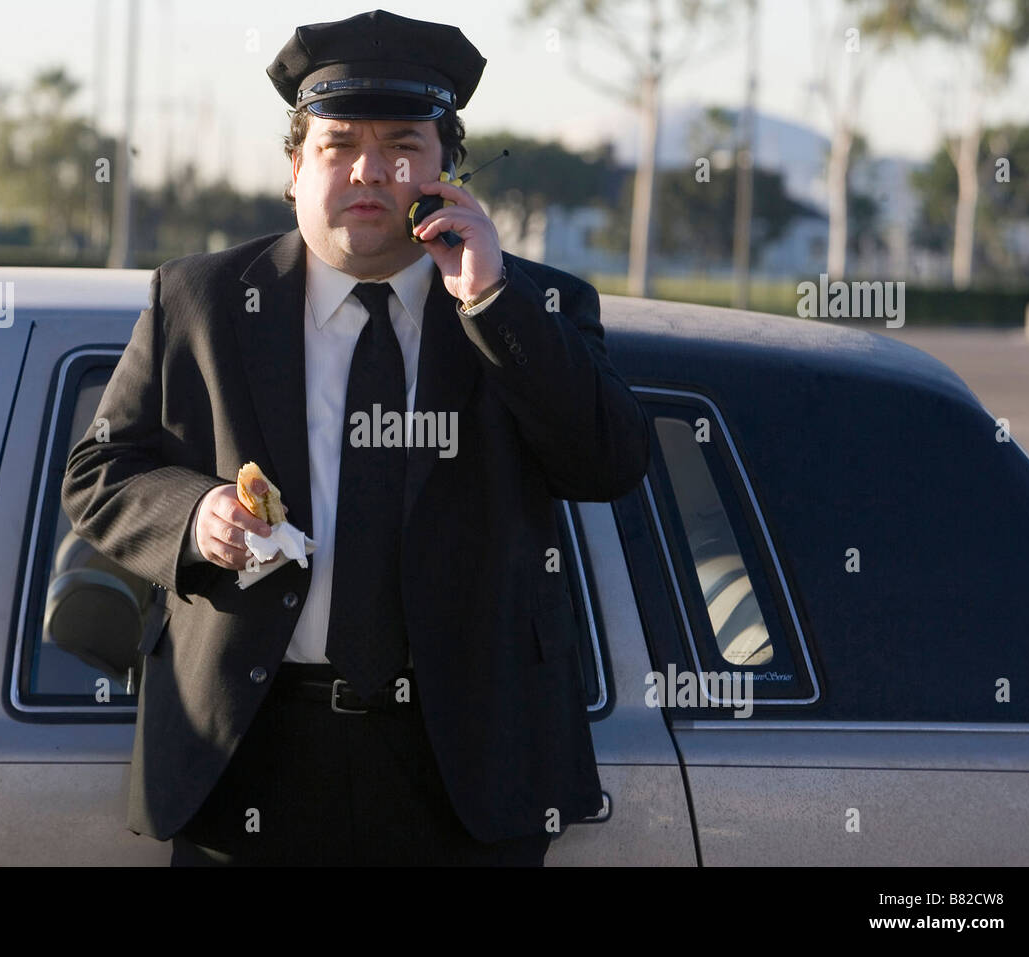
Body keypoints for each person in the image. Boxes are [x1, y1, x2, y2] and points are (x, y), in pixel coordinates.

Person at [60, 8, 650, 866]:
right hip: (250, 759)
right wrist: (196, 518)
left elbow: (609, 462)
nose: (370, 170)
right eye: (338, 146)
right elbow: (99, 470)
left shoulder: (533, 306)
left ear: (449, 169)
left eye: (404, 144)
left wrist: (490, 303)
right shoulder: (203, 302)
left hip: (465, 769)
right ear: (295, 167)